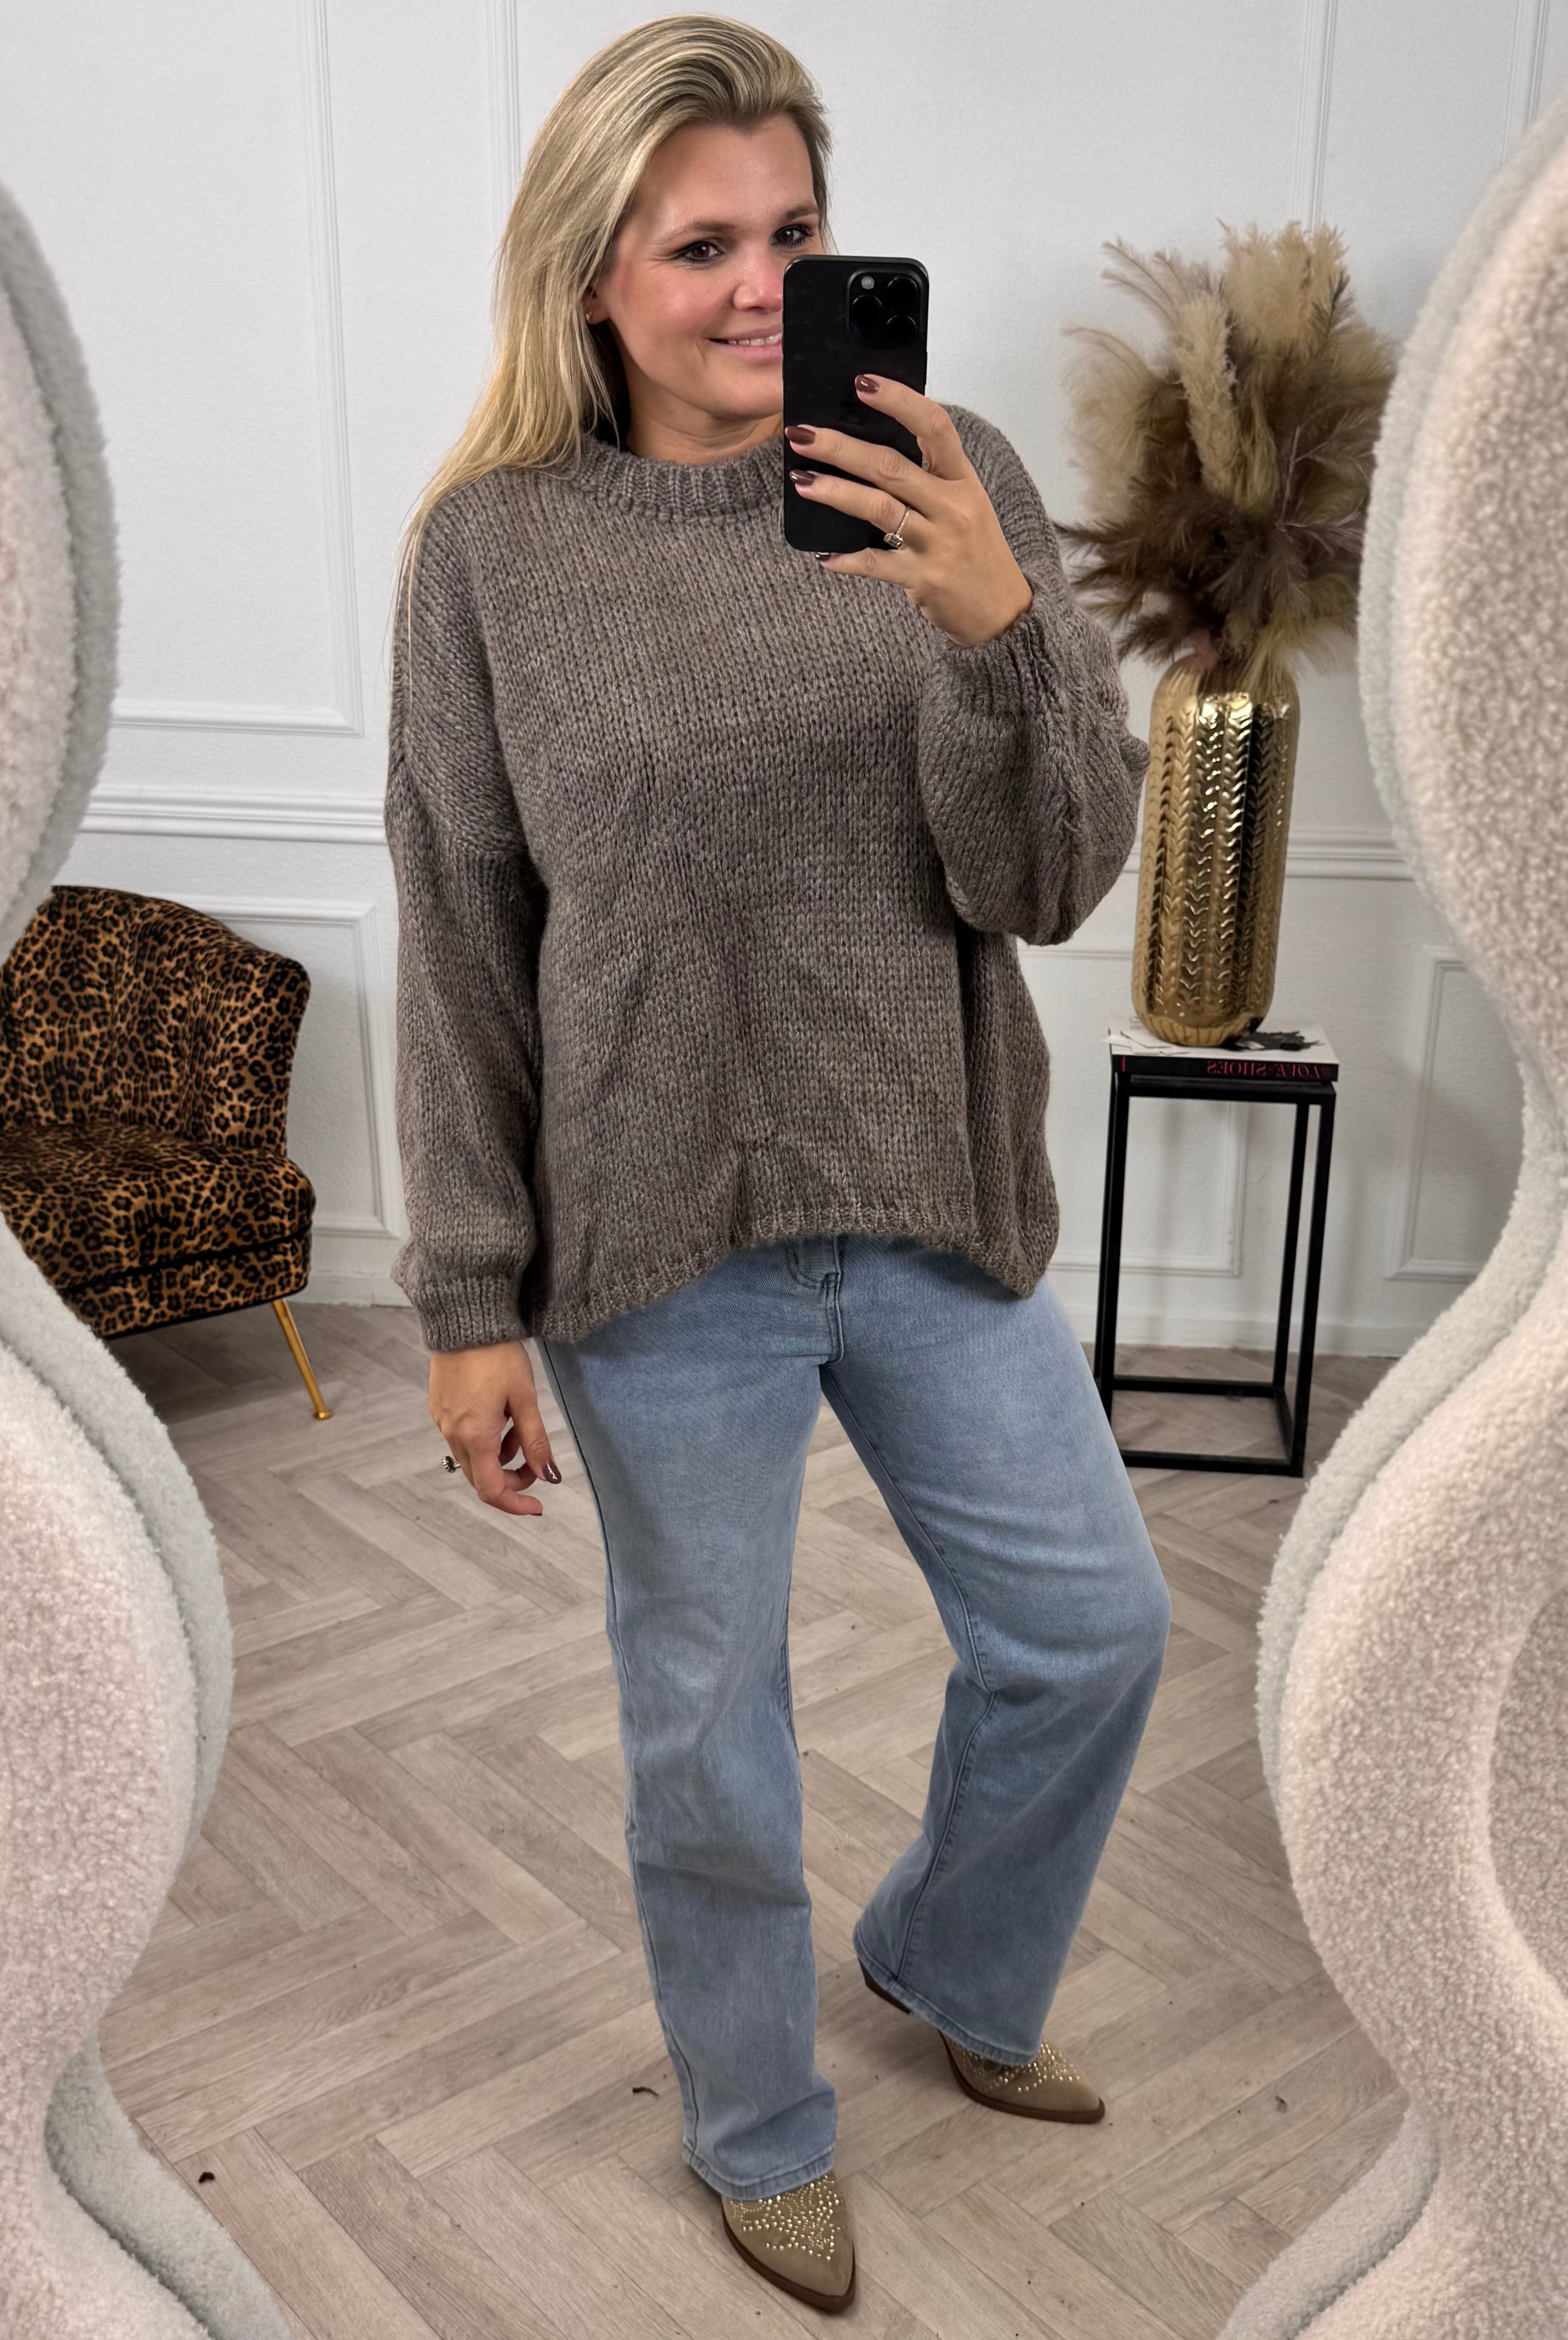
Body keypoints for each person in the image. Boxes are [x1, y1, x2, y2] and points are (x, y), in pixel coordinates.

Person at [385, 13, 1171, 2317]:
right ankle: (754, 2124)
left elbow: (1046, 886)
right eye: (700, 244)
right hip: (660, 1240)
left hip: (929, 1192)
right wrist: (464, 1303)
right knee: (708, 1729)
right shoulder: (494, 555)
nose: (760, 285)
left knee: (1090, 1636)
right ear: (592, 275)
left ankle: (950, 1956)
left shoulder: (950, 472)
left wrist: (995, 631)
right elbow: (462, 928)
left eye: (795, 233)